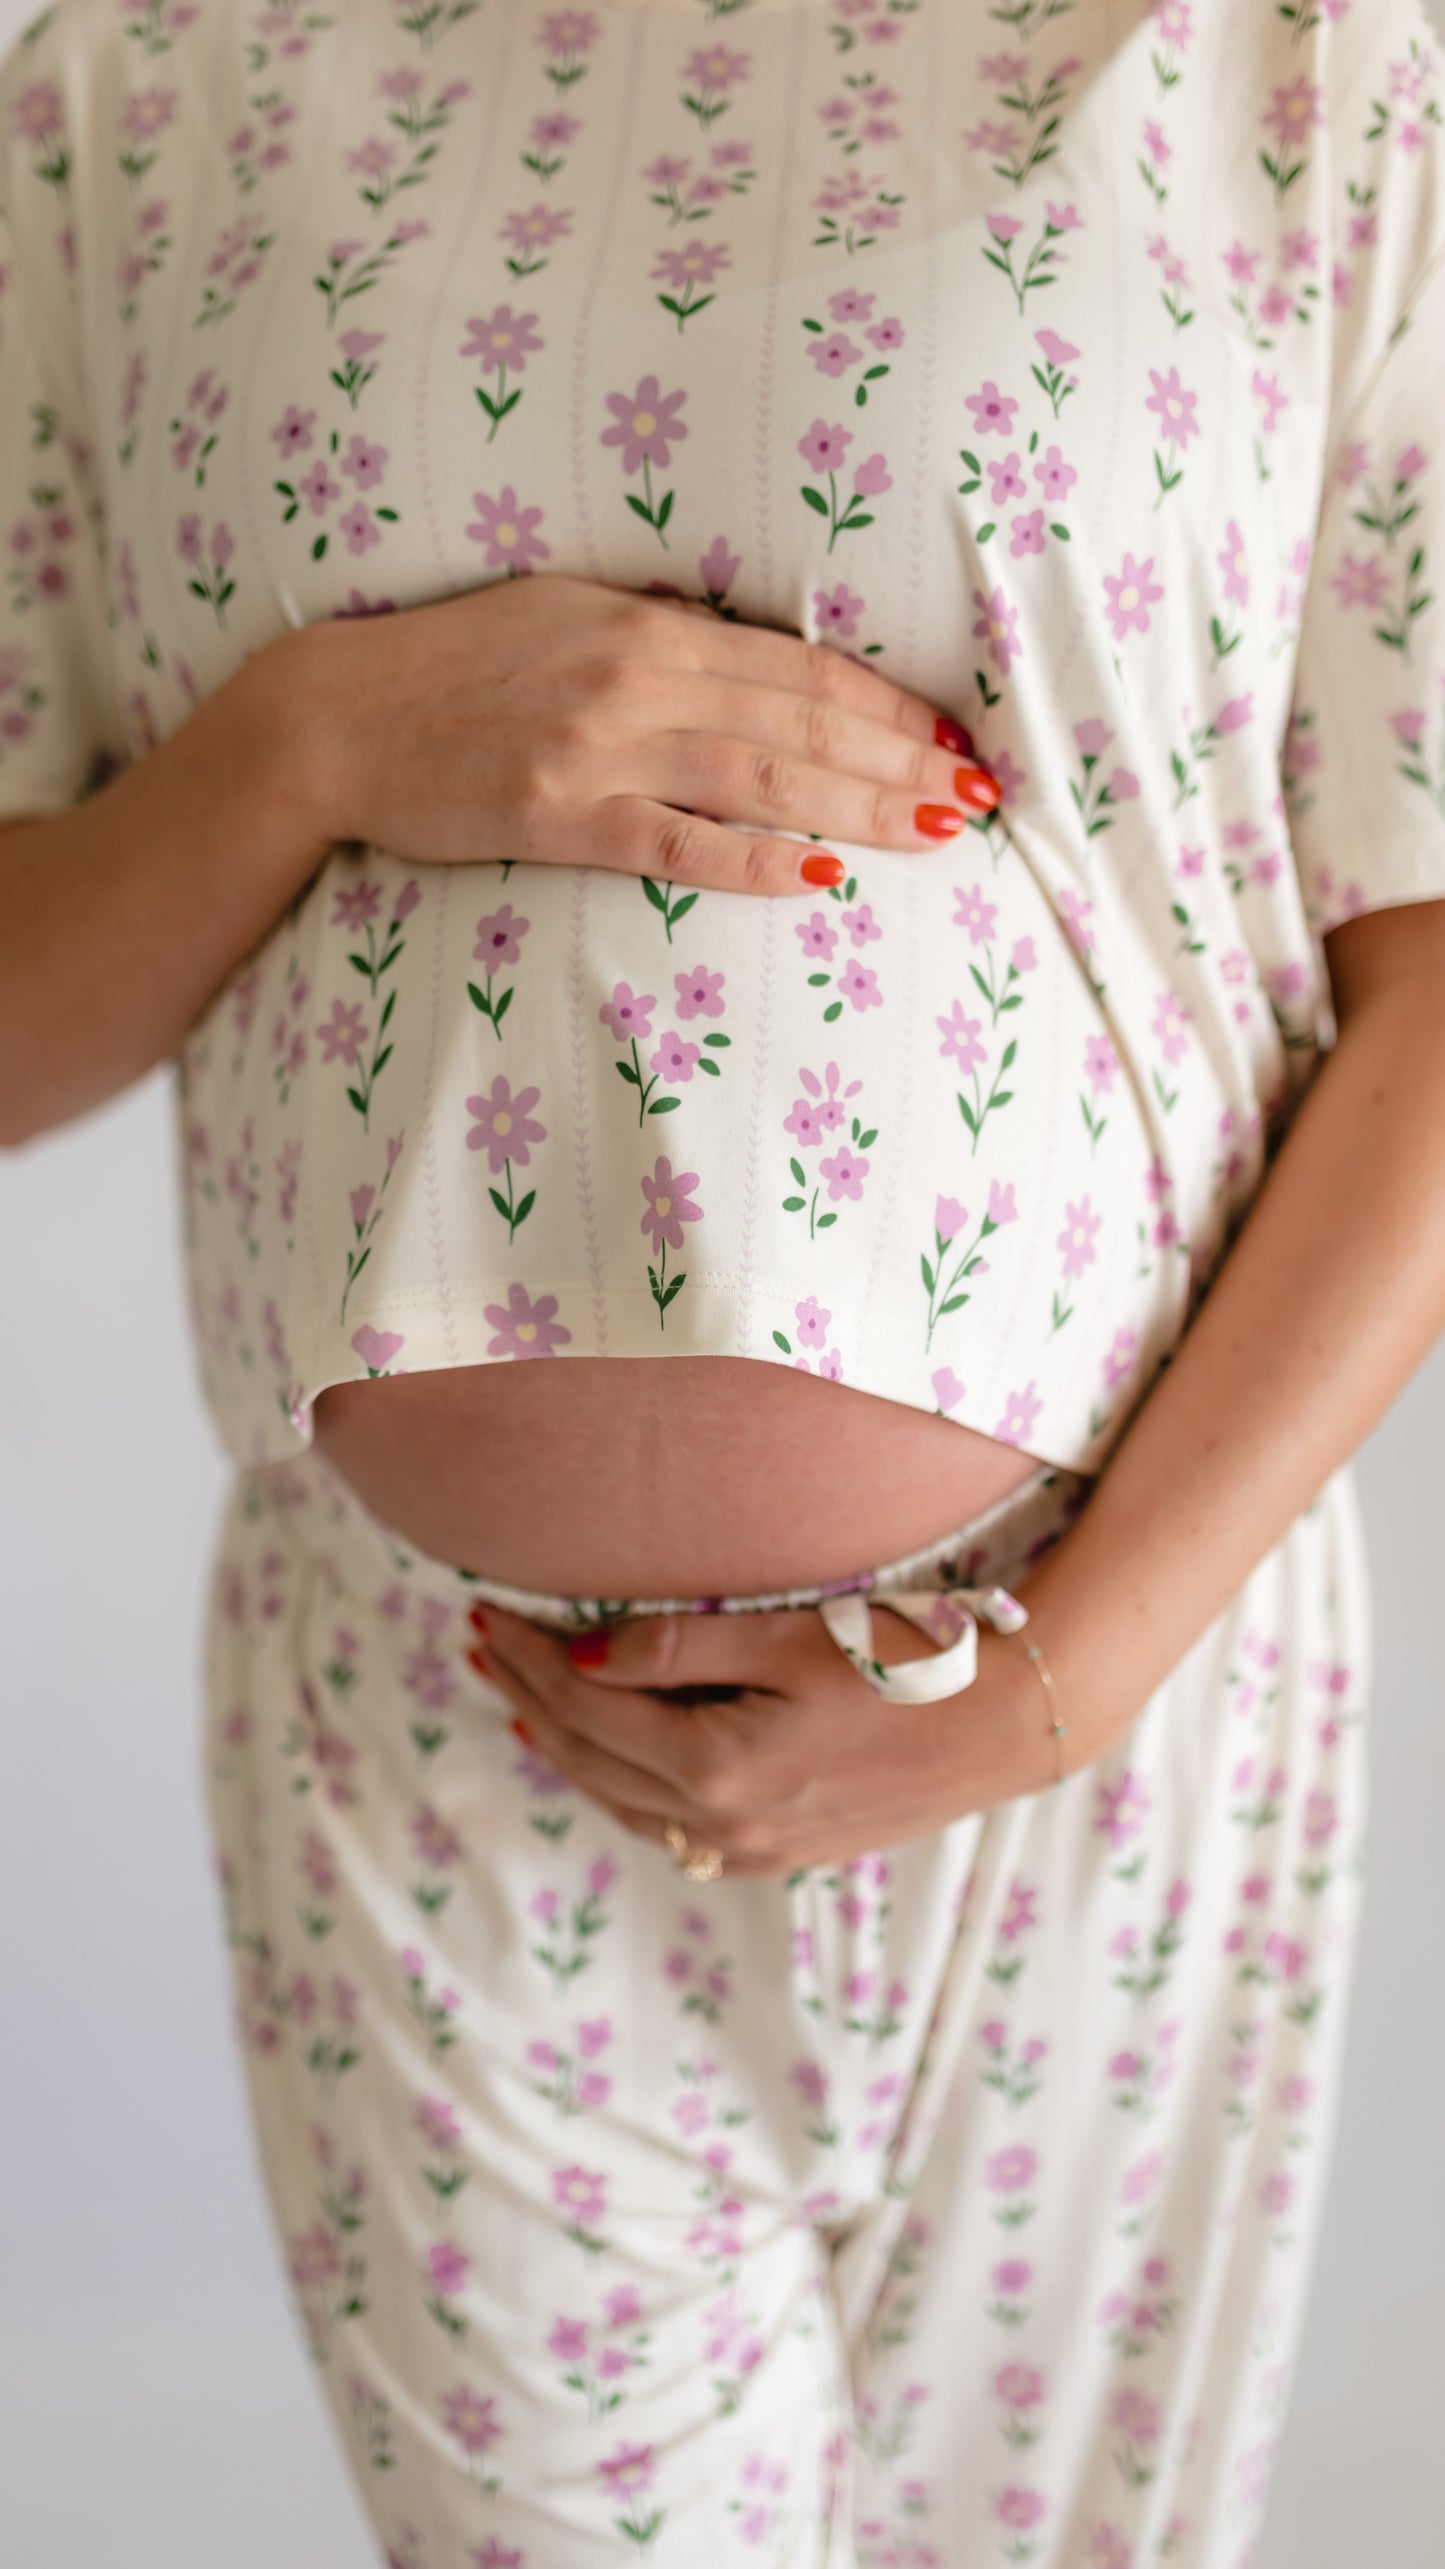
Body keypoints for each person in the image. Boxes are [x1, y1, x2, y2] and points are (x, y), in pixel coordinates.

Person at [4, 0, 1445, 2558]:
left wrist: (1060, 1681)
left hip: (1108, 1709)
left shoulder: (1315, 57)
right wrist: (312, 748)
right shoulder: (126, 78)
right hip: (444, 1748)